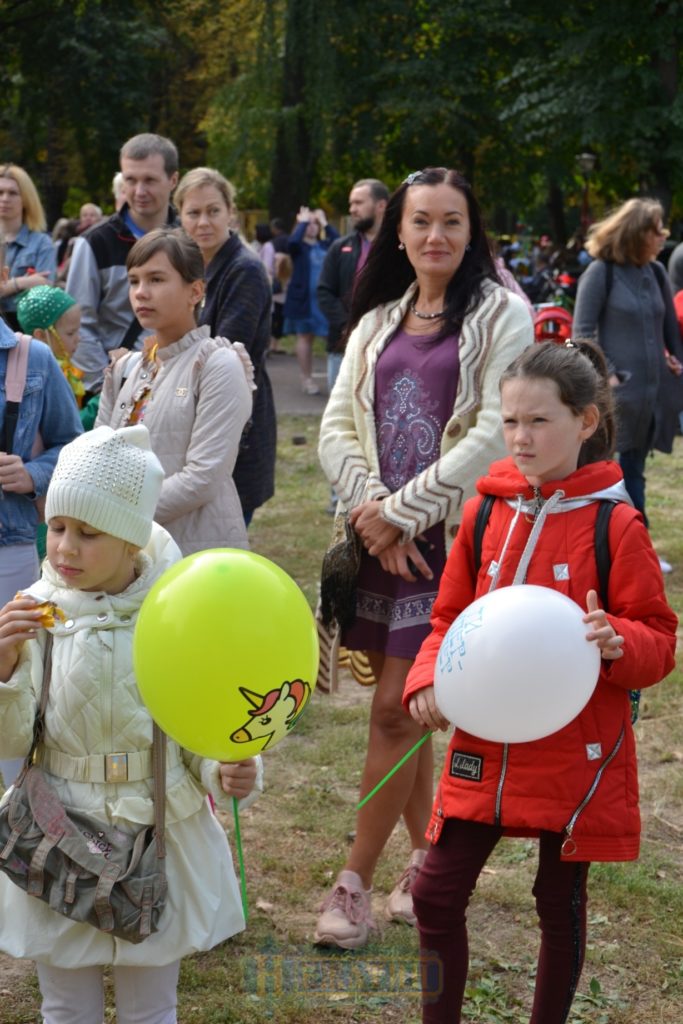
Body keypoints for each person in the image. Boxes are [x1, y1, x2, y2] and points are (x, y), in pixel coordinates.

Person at [403, 340, 678, 1024]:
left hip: (573, 747)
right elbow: (448, 616)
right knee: (435, 895)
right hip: (484, 740)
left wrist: (620, 642)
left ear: (585, 422)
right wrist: (427, 678)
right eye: (510, 421)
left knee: (558, 903)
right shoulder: (484, 512)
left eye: (539, 422)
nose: (521, 438)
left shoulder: (615, 524)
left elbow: (658, 638)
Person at [314, 167, 533, 949]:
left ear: (472, 231)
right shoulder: (375, 321)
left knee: (392, 712)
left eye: (451, 221)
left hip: (456, 545)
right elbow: (336, 428)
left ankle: (352, 885)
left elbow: (489, 436)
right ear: (397, 232)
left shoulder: (502, 314)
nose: (435, 235)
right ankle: (425, 861)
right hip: (380, 547)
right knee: (410, 716)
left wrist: (404, 515)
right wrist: (376, 515)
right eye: (420, 222)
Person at [0, 424, 262, 1024]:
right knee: (66, 1005)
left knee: (152, 1006)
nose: (65, 547)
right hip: (60, 830)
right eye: (58, 526)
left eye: (88, 534)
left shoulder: (176, 614)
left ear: (132, 540)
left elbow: (199, 719)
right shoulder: (37, 615)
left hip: (156, 827)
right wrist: (5, 668)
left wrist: (227, 765)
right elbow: (12, 742)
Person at [96, 228, 254, 555]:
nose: (141, 292)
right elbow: (99, 456)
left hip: (194, 549)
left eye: (156, 279)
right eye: (134, 280)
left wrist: (119, 515)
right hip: (126, 550)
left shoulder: (217, 363)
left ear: (195, 291)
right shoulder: (127, 367)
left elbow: (204, 476)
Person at [0, 235, 83, 791]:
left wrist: (34, 474)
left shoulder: (32, 359)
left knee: (13, 680)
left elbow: (75, 448)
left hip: (10, 549)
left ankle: (12, 813)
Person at [572, 198, 683, 566]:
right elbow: (582, 332)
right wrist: (611, 375)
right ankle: (624, 548)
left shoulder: (655, 273)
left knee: (634, 470)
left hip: (650, 397)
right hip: (615, 397)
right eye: (657, 228)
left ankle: (636, 547)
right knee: (606, 472)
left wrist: (676, 361)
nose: (663, 236)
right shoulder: (601, 272)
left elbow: (669, 331)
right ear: (636, 232)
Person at [175, 168, 276, 526]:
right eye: (193, 213)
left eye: (213, 211)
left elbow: (226, 353)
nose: (204, 222)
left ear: (230, 212)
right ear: (180, 216)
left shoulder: (243, 269)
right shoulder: (188, 267)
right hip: (196, 421)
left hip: (235, 424)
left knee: (221, 540)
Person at [66, 134, 180, 395]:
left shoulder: (190, 241)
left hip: (179, 384)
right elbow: (79, 323)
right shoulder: (94, 243)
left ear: (173, 180)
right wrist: (106, 387)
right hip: (117, 385)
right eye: (131, 180)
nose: (139, 191)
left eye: (149, 180)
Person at [317, 178, 389, 391]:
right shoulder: (340, 248)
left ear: (381, 205)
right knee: (340, 418)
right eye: (351, 204)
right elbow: (324, 291)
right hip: (343, 346)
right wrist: (346, 325)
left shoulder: (401, 248)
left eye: (358, 203)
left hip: (386, 345)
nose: (352, 209)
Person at [283, 206, 339, 395]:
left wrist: (325, 223)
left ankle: (338, 379)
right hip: (304, 301)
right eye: (309, 224)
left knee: (333, 339)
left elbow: (339, 242)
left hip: (325, 302)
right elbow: (292, 242)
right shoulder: (299, 247)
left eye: (315, 224)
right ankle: (306, 379)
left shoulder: (324, 245)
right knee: (305, 337)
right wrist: (303, 221)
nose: (312, 227)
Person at [0, 164, 56, 330]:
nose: (5, 198)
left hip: (26, 331)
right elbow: (38, 283)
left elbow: (45, 293)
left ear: (25, 199)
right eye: (0, 192)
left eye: (13, 193)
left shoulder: (41, 243)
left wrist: (6, 286)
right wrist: (23, 282)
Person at [16, 285, 86, 407]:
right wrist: (97, 405)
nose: (78, 339)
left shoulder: (62, 366)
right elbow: (65, 422)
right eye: (70, 333)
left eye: (77, 331)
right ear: (41, 335)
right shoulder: (44, 377)